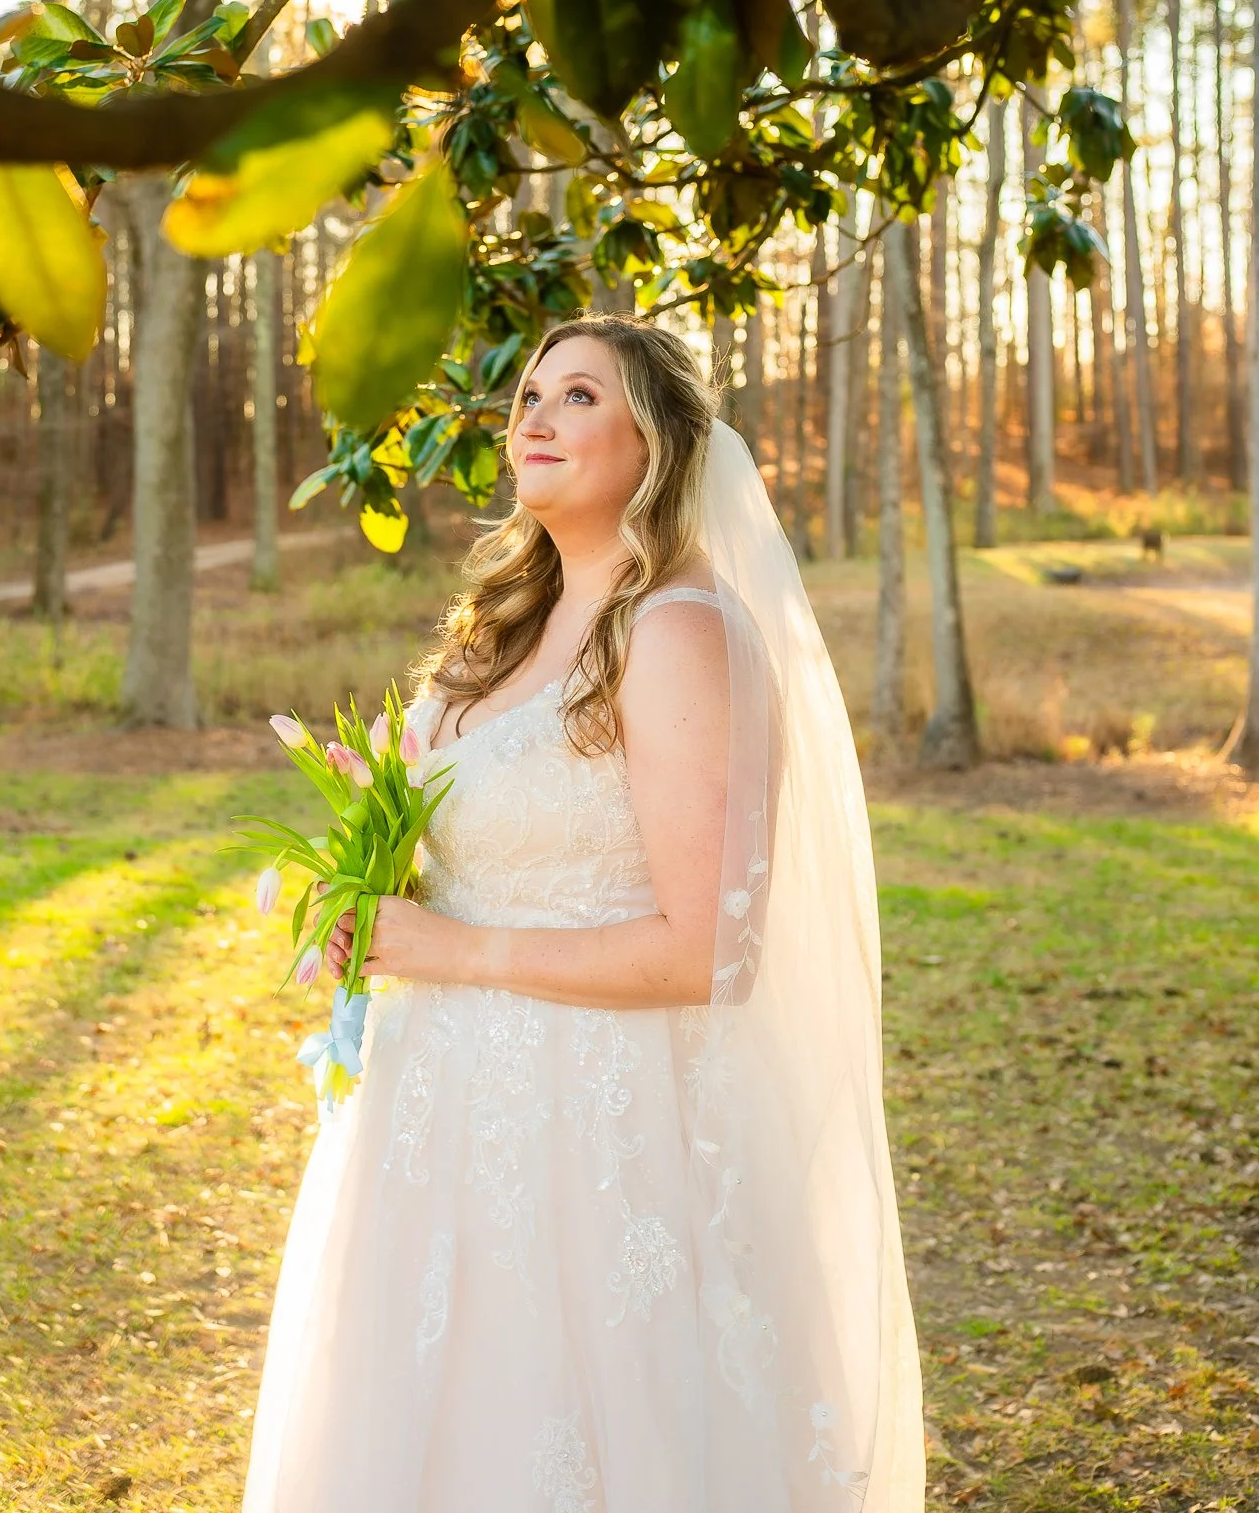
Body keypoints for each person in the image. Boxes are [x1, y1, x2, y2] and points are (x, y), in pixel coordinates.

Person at [242, 315, 925, 1513]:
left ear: (654, 441)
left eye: (577, 395)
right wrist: (377, 903)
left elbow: (708, 948)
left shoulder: (677, 630)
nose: (535, 418)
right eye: (527, 398)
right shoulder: (498, 628)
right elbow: (469, 849)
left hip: (593, 1129)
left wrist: (456, 947)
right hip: (432, 1112)